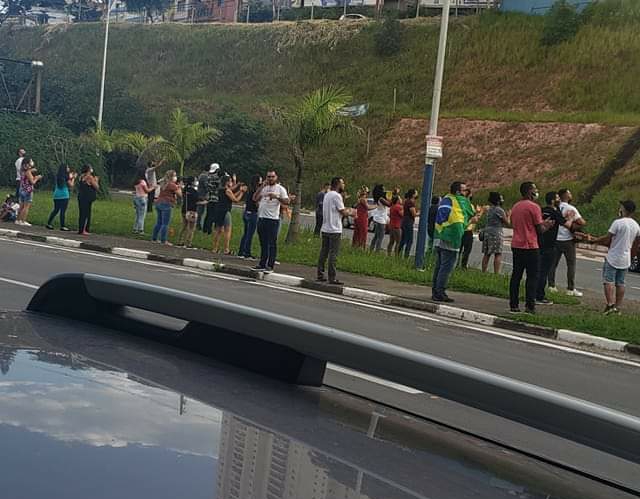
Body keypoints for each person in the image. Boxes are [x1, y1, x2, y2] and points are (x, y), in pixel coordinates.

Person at [509, 182, 555, 314]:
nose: (536, 192)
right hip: (530, 245)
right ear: (530, 192)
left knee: (516, 276)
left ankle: (514, 304)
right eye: (535, 189)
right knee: (532, 277)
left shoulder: (516, 206)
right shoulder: (534, 207)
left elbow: (514, 223)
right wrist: (548, 225)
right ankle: (530, 305)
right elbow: (539, 228)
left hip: (516, 244)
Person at [589, 200, 640, 315]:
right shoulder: (636, 226)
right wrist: (632, 256)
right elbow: (636, 244)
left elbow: (608, 238)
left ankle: (610, 305)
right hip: (625, 258)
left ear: (624, 209)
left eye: (621, 207)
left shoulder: (618, 223)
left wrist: (594, 240)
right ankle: (617, 307)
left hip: (613, 257)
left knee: (608, 281)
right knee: (621, 283)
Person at [431, 182, 476, 302]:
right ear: (458, 192)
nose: (466, 192)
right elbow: (470, 214)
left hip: (442, 234)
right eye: (464, 190)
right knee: (446, 267)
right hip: (452, 237)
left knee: (439, 266)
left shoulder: (446, 198)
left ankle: (435, 291)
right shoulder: (460, 201)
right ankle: (440, 292)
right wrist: (474, 218)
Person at [548, 188, 586, 297]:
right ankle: (570, 288)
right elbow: (581, 222)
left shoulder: (555, 208)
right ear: (565, 196)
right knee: (571, 264)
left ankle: (551, 285)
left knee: (553, 264)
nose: (571, 194)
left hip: (555, 239)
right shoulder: (570, 208)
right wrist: (575, 226)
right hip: (568, 239)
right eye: (569, 193)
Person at [536, 192, 570, 305]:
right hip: (550, 245)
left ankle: (534, 293)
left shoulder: (541, 210)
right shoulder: (555, 213)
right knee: (544, 271)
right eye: (557, 198)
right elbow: (566, 224)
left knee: (537, 270)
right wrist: (570, 218)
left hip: (539, 243)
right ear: (552, 201)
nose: (559, 199)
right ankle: (540, 296)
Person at [317, 177, 352, 285]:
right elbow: (342, 211)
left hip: (325, 227)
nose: (344, 185)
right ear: (338, 184)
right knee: (333, 253)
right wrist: (351, 212)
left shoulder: (327, 194)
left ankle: (320, 274)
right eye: (342, 183)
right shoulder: (336, 196)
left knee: (324, 252)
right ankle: (332, 277)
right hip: (334, 228)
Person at [253, 170, 289, 273]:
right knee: (263, 242)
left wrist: (277, 197)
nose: (270, 179)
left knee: (272, 243)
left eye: (272, 177)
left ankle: (270, 265)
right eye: (268, 177)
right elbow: (255, 198)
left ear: (276, 177)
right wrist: (261, 187)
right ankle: (262, 263)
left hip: (272, 219)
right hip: (262, 218)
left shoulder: (280, 189)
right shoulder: (264, 188)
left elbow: (287, 201)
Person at [212, 176, 247, 254]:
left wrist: (238, 188)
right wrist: (242, 192)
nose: (231, 182)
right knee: (227, 230)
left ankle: (215, 248)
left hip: (218, 211)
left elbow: (232, 194)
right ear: (227, 182)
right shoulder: (227, 190)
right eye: (230, 181)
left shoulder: (220, 190)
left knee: (218, 230)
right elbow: (235, 200)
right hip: (225, 211)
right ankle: (226, 249)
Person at [481, 192, 509, 274]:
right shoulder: (499, 210)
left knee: (487, 254)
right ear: (498, 201)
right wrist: (509, 216)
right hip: (496, 233)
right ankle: (496, 273)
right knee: (498, 253)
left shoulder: (489, 209)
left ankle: (483, 272)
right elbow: (507, 223)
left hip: (487, 232)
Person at [152, 170, 181, 245]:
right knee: (165, 223)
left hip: (159, 202)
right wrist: (179, 187)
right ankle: (163, 240)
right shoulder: (172, 185)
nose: (175, 177)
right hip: (167, 203)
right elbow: (180, 194)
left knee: (159, 222)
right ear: (171, 176)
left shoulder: (163, 183)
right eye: (174, 175)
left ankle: (154, 238)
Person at [239, 174, 262, 258]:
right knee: (250, 234)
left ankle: (241, 251)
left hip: (246, 212)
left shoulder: (249, 189)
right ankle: (247, 252)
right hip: (253, 213)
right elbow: (256, 202)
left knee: (245, 233)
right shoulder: (255, 191)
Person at [46, 164, 76, 231]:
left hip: (56, 195)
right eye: (67, 167)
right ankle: (62, 226)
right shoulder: (66, 177)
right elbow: (71, 185)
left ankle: (49, 223)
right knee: (63, 211)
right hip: (64, 195)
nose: (68, 168)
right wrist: (73, 178)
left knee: (56, 210)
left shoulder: (59, 176)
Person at [458, 188, 482, 269]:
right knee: (467, 250)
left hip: (460, 229)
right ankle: (463, 266)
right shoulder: (469, 206)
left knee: (458, 249)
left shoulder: (459, 204)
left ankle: (456, 265)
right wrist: (480, 212)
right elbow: (475, 219)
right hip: (467, 230)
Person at [16, 158, 42, 227]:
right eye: (30, 162)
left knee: (21, 206)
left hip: (22, 189)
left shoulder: (22, 170)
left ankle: (18, 220)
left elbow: (27, 172)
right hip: (28, 190)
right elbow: (32, 182)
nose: (31, 163)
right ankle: (23, 221)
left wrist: (31, 170)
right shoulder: (28, 172)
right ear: (27, 164)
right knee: (26, 206)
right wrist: (37, 178)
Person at [77, 164, 99, 235]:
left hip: (81, 196)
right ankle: (84, 229)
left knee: (81, 213)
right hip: (87, 197)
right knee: (86, 213)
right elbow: (96, 187)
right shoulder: (89, 177)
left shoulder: (81, 176)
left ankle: (80, 228)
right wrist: (96, 180)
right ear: (88, 170)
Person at [203, 163, 224, 235]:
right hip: (216, 199)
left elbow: (207, 186)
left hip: (210, 198)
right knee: (213, 215)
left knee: (208, 214)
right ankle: (209, 230)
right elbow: (220, 186)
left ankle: (205, 229)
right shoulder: (218, 178)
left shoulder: (209, 177)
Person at [178, 176, 199, 248]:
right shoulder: (194, 191)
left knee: (184, 226)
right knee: (191, 228)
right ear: (192, 182)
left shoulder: (185, 190)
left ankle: (180, 241)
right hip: (192, 211)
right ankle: (188, 242)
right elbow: (198, 200)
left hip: (184, 209)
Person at [132, 168, 154, 234]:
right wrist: (153, 188)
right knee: (142, 215)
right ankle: (141, 229)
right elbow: (147, 191)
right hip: (142, 198)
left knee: (137, 214)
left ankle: (135, 228)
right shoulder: (143, 182)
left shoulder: (136, 182)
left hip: (136, 198)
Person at [398, 189, 419, 258]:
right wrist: (420, 213)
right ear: (413, 195)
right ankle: (406, 256)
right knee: (409, 241)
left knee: (403, 240)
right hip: (409, 222)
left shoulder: (406, 201)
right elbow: (414, 214)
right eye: (416, 192)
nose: (417, 193)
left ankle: (398, 254)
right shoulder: (411, 203)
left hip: (404, 221)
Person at [370, 184, 390, 252]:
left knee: (376, 236)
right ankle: (377, 251)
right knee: (380, 237)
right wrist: (390, 198)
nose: (384, 190)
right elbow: (389, 204)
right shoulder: (381, 199)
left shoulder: (378, 198)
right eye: (383, 189)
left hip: (377, 218)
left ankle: (371, 250)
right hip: (381, 220)